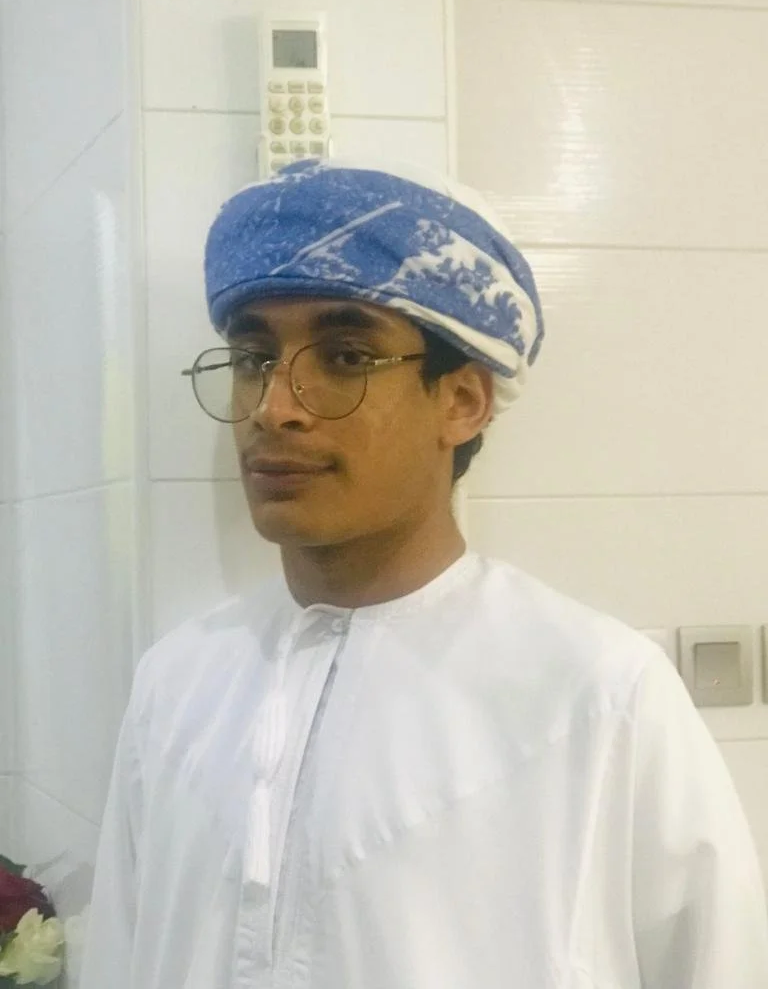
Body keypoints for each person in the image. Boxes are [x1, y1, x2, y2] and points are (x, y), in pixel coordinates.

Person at [79, 158, 768, 989]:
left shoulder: (597, 693)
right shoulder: (177, 686)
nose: (274, 406)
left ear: (464, 401)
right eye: (255, 356)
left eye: (343, 356)